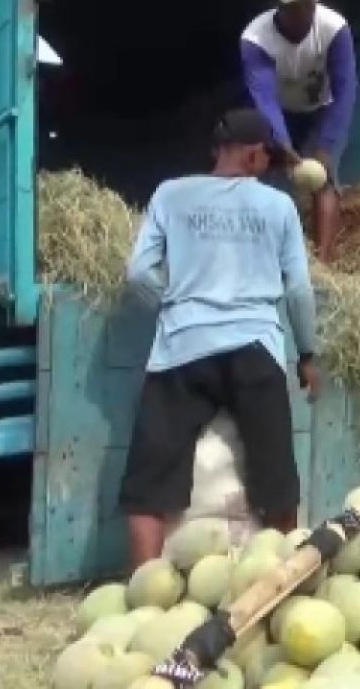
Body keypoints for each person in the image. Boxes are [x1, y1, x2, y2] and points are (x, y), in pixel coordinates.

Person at [119, 108, 321, 568]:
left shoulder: (171, 194)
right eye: (264, 156)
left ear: (218, 149)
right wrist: (307, 353)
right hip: (255, 349)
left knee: (148, 488)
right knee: (277, 483)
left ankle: (142, 593)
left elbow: (137, 275)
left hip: (181, 350)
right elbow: (298, 289)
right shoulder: (278, 206)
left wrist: (175, 307)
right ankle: (284, 580)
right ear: (253, 156)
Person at [241, 0, 358, 263]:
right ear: (277, 3)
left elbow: (346, 90)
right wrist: (282, 145)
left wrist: (326, 146)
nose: (304, 12)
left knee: (325, 178)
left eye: (309, 3)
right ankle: (262, 256)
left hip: (323, 110)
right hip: (280, 114)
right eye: (294, 5)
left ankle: (324, 266)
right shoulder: (255, 40)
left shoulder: (334, 29)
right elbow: (264, 99)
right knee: (266, 174)